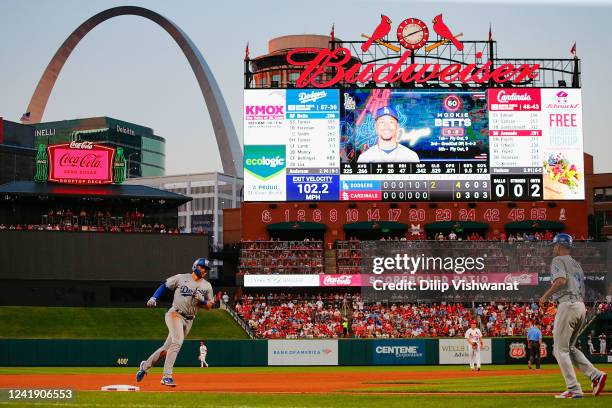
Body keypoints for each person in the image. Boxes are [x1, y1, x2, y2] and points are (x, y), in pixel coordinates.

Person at [539, 233, 607, 398]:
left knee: (559, 350)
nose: (553, 248)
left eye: (554, 245)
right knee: (569, 348)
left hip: (568, 305)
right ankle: (595, 375)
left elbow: (561, 280)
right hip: (580, 306)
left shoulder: (558, 260)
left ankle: (574, 389)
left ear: (560, 245)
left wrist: (545, 296)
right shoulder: (577, 264)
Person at [136, 258, 214, 387]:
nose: (204, 270)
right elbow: (165, 285)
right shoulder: (181, 278)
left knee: (165, 350)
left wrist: (204, 302)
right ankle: (167, 376)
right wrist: (154, 297)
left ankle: (144, 366)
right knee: (177, 342)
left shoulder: (207, 286)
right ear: (195, 266)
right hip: (175, 314)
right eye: (202, 267)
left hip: (189, 320)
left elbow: (210, 306)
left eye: (206, 269)